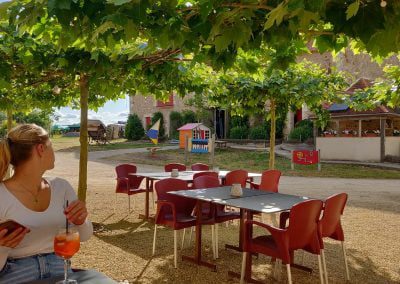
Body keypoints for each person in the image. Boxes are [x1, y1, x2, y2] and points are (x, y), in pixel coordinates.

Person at [0, 124, 93, 283]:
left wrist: (81, 221)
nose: (53, 151)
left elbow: (85, 236)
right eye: (52, 145)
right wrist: (2, 247)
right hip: (15, 274)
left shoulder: (61, 187)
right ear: (41, 149)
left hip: (61, 269)